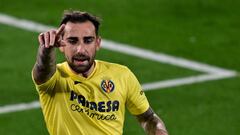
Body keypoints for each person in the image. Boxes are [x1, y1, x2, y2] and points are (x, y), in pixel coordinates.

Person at [32, 10, 168, 135]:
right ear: (62, 45)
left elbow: (148, 118)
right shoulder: (54, 80)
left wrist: (159, 131)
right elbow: (43, 70)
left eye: (88, 40)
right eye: (72, 41)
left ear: (98, 43)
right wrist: (46, 50)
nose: (80, 49)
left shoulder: (122, 75)